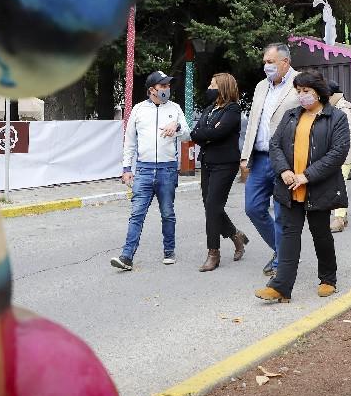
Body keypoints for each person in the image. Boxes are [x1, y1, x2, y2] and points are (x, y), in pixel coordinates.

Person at [254, 72, 350, 303]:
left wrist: (307, 176)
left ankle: (328, 278)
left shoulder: (336, 117)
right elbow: (275, 145)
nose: (301, 96)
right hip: (289, 187)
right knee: (288, 235)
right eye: (298, 91)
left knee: (321, 234)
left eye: (305, 91)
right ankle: (281, 287)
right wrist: (285, 171)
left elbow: (338, 152)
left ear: (318, 91)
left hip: (318, 187)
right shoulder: (291, 115)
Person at [111, 71, 190, 271]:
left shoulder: (175, 109)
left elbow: (188, 135)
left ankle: (169, 251)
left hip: (167, 168)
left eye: (168, 86)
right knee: (136, 213)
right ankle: (126, 256)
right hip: (144, 168)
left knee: (167, 213)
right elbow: (129, 141)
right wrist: (127, 168)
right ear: (151, 90)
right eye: (162, 86)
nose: (166, 89)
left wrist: (177, 125)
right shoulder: (138, 110)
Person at [240, 43, 300, 277]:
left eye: (271, 62)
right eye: (265, 62)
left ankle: (281, 263)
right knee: (253, 208)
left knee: (281, 212)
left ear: (285, 62)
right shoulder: (260, 87)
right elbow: (253, 123)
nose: (266, 66)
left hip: (285, 160)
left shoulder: (299, 85)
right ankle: (280, 250)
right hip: (260, 159)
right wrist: (245, 155)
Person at [190, 73, 249, 272]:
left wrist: (207, 134)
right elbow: (195, 133)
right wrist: (207, 134)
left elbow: (218, 132)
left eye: (213, 84)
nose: (209, 86)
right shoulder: (209, 109)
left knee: (213, 206)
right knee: (210, 206)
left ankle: (213, 253)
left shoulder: (232, 109)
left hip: (225, 164)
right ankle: (236, 235)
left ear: (223, 87)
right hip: (208, 162)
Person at [328, 81, 351, 232]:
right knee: (335, 184)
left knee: (338, 185)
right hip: (336, 153)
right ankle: (342, 216)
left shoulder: (343, 107)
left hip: (343, 154)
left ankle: (339, 219)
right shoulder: (334, 106)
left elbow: (349, 132)